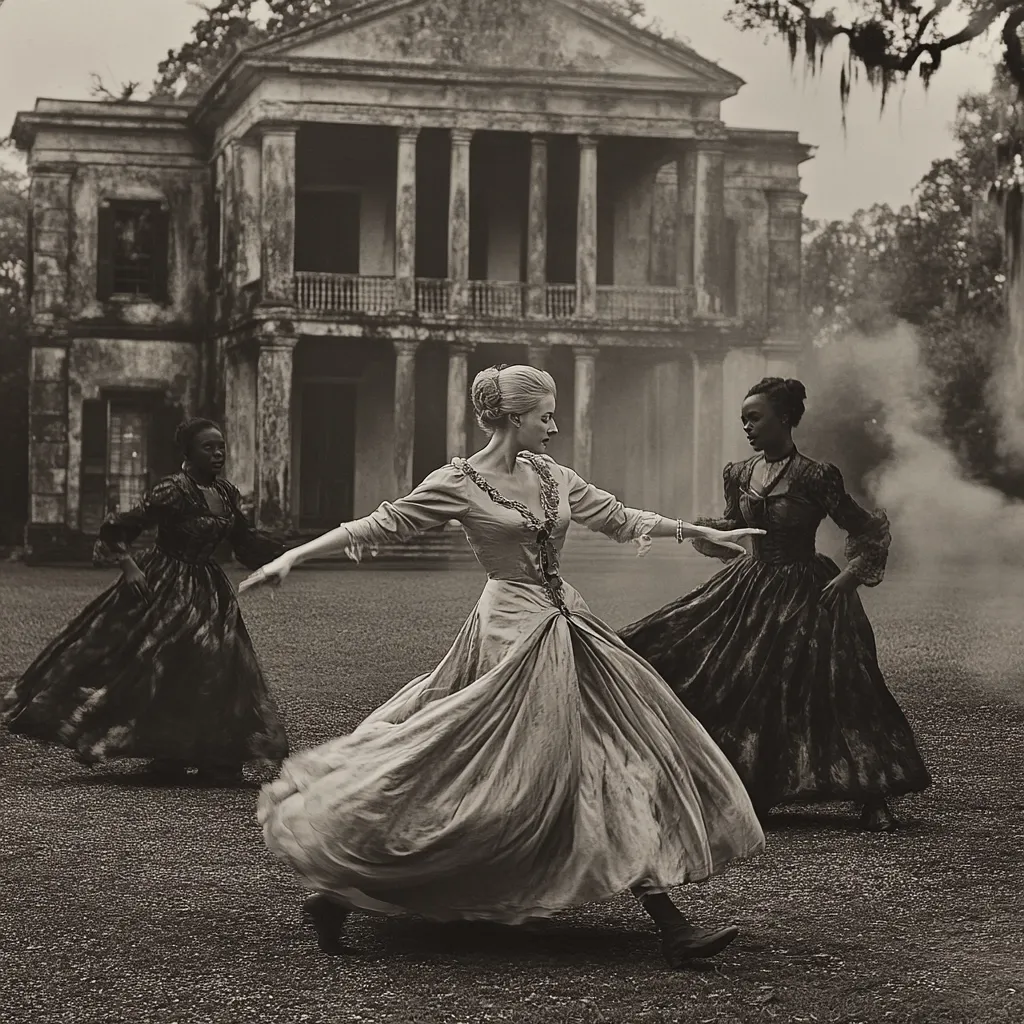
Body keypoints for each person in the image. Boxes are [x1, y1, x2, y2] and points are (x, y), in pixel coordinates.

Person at [240, 364, 767, 969]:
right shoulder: (458, 481)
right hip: (509, 631)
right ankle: (338, 894)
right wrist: (294, 556)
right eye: (546, 415)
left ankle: (672, 926)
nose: (555, 425)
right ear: (514, 419)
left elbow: (618, 517)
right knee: (471, 772)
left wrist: (698, 532)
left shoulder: (553, 475)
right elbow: (384, 522)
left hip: (567, 621)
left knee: (605, 756)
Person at [620, 377, 932, 831]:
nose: (746, 427)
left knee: (838, 687)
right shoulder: (739, 474)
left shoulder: (816, 476)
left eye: (755, 417)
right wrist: (690, 529)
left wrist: (850, 577)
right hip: (751, 584)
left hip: (809, 590)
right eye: (743, 419)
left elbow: (864, 528)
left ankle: (873, 792)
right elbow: (730, 525)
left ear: (784, 418)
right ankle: (754, 786)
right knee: (724, 672)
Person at [2, 417, 289, 784]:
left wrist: (287, 556)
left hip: (207, 588)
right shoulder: (172, 490)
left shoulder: (227, 493)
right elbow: (119, 525)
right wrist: (129, 566)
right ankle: (169, 753)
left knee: (218, 665)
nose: (217, 453)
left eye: (221, 446)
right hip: (166, 582)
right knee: (159, 662)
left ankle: (207, 754)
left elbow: (244, 540)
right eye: (208, 447)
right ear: (187, 452)